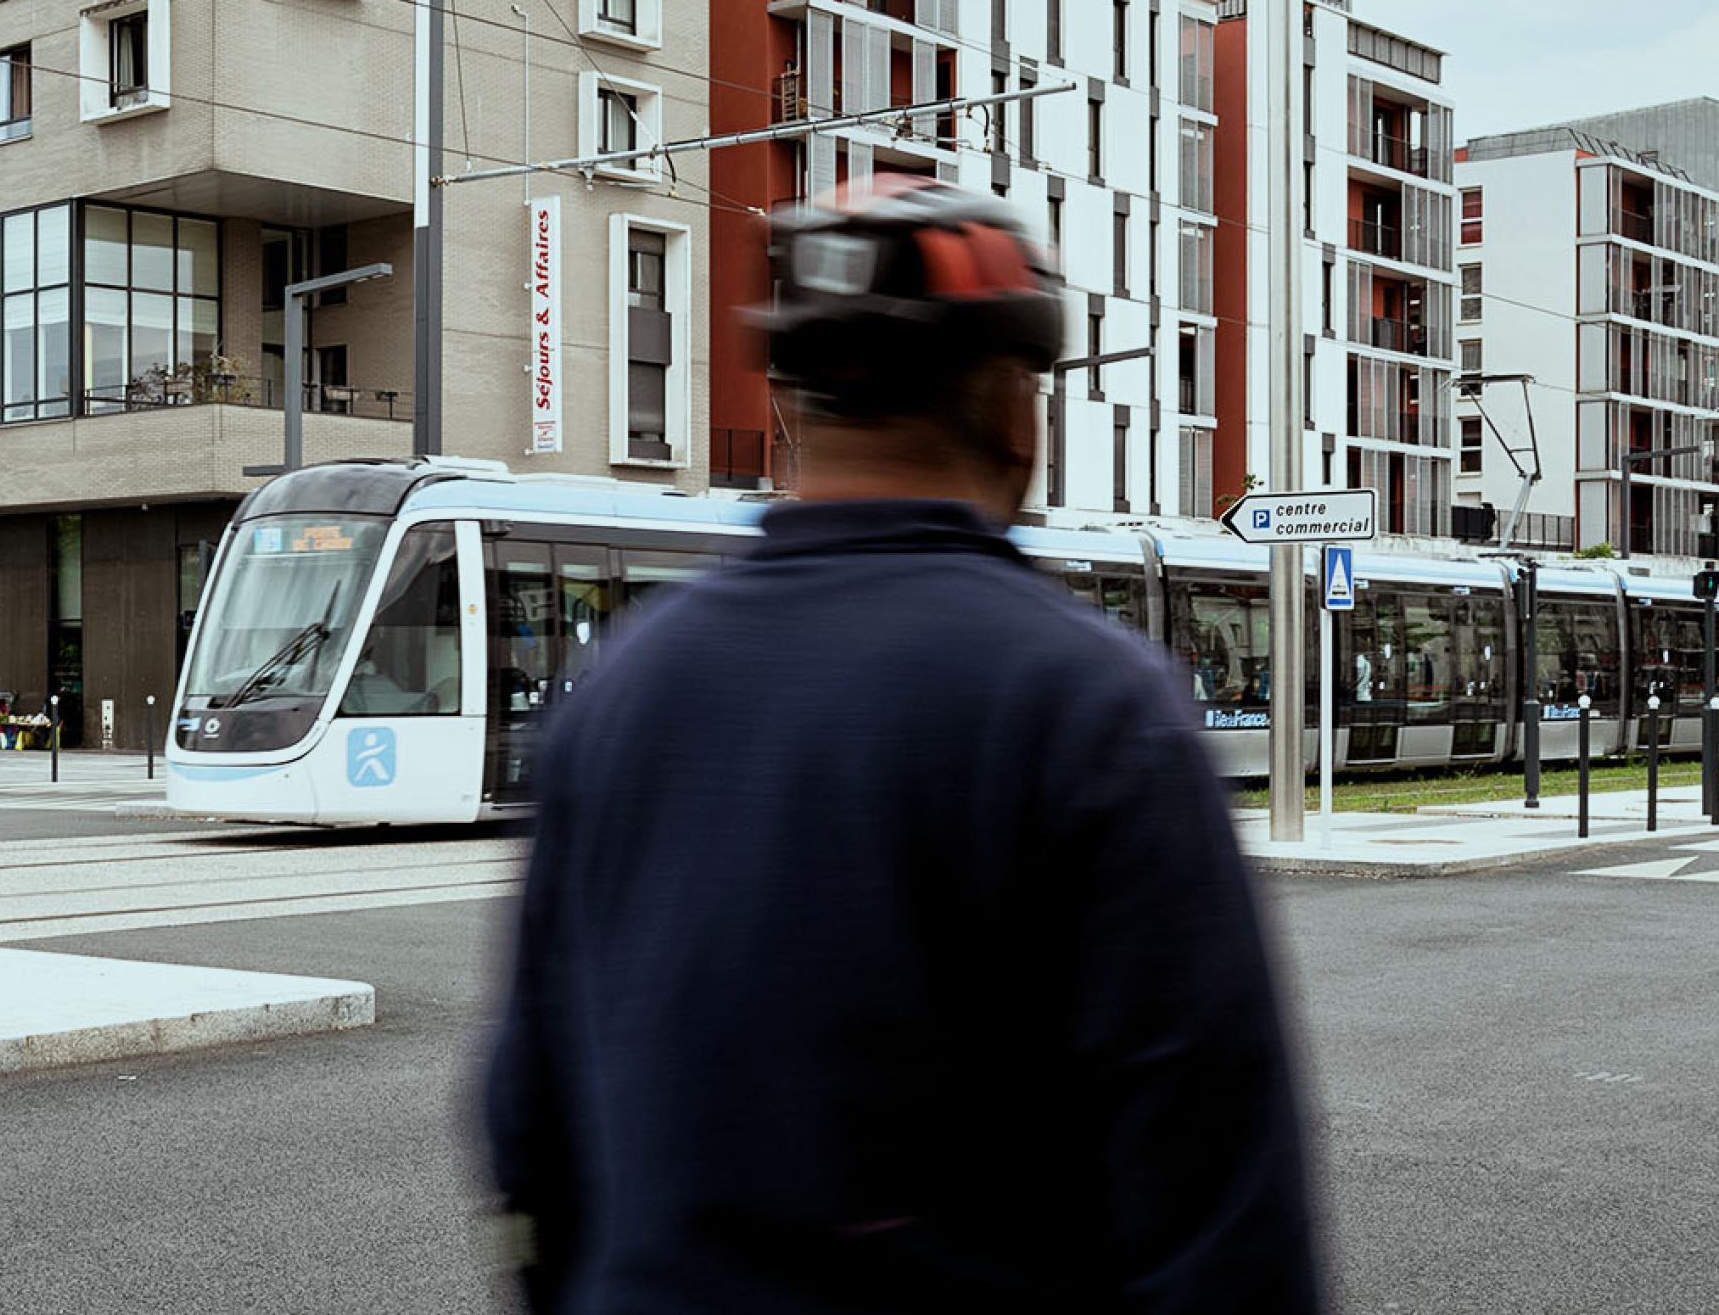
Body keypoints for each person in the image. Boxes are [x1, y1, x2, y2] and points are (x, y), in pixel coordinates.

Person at [484, 175, 1319, 1312]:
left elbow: (528, 1133)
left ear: (790, 405)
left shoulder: (618, 688)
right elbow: (1219, 1203)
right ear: (1012, 401)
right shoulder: (1093, 704)